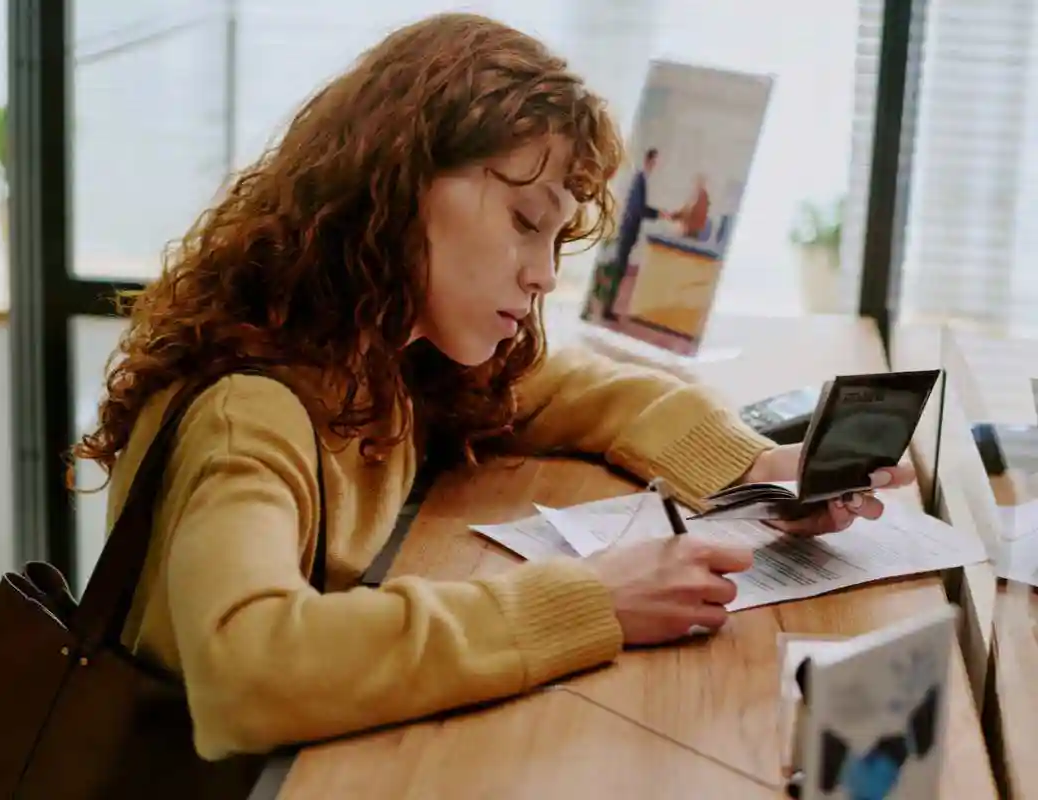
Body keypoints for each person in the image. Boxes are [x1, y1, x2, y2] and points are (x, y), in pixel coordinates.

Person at [72, 13, 914, 761]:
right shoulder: (251, 409)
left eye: (555, 239)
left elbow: (580, 389)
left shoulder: (394, 354)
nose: (546, 274)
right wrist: (592, 600)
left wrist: (750, 471)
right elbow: (246, 670)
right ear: (398, 186)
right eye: (523, 222)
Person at [598, 147, 664, 320]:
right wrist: (658, 214)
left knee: (619, 271)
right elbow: (638, 209)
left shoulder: (642, 180)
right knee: (618, 271)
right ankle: (606, 310)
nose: (656, 165)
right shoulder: (639, 179)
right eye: (655, 161)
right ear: (648, 160)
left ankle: (607, 308)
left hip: (629, 232)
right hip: (628, 231)